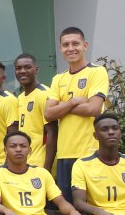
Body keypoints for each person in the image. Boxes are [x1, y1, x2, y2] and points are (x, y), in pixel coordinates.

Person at [46, 27, 109, 193]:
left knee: (90, 209)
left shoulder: (97, 72)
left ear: (85, 45)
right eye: (65, 45)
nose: (70, 48)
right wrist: (73, 102)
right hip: (64, 153)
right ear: (60, 49)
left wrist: (61, 106)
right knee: (69, 211)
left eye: (75, 43)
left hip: (88, 153)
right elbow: (48, 113)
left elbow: (94, 108)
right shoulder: (58, 78)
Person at [14, 53, 56, 170]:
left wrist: (46, 169)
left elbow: (52, 133)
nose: (22, 71)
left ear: (36, 70)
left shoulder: (45, 94)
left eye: (27, 67)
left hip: (41, 165)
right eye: (18, 68)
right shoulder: (20, 97)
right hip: (25, 164)